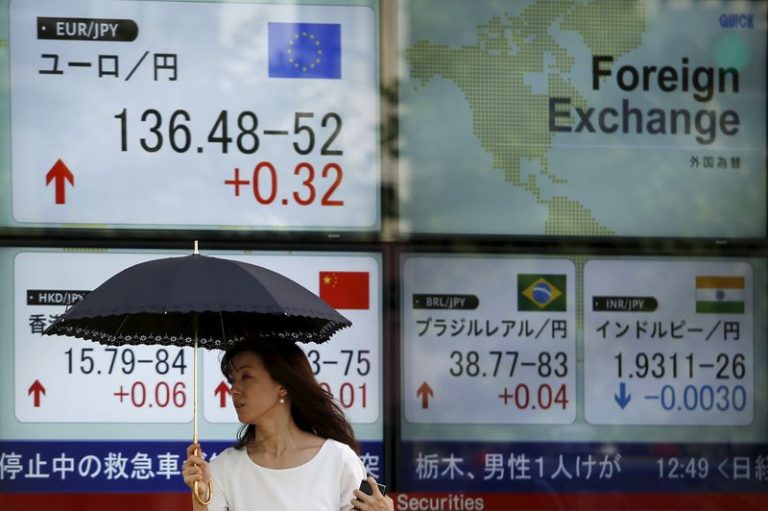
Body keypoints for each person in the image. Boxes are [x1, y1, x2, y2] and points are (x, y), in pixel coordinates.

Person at [182, 338, 393, 511]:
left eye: (246, 376)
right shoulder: (223, 468)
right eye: (232, 380)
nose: (233, 390)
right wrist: (200, 499)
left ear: (282, 386)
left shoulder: (338, 460)